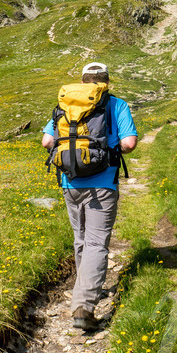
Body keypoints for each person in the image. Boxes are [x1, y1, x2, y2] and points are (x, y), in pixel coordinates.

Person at [42, 62, 138, 330]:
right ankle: (83, 307)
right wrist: (114, 149)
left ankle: (83, 289)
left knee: (81, 238)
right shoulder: (116, 104)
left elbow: (47, 142)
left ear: (82, 81)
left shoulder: (65, 104)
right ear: (106, 82)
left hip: (69, 182)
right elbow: (129, 143)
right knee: (96, 243)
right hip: (103, 183)